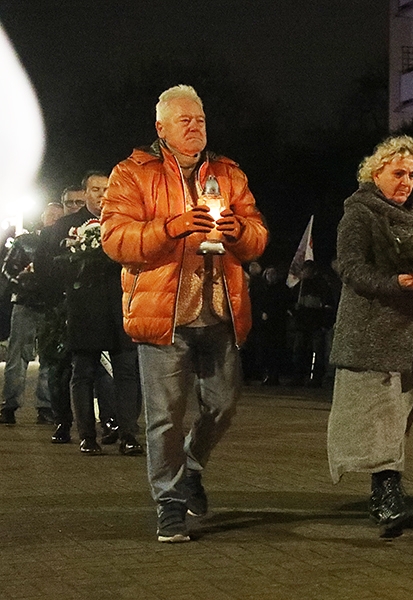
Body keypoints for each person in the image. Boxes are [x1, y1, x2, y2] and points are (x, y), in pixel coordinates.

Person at [101, 85, 268, 542]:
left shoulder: (228, 173)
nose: (195, 127)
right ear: (161, 128)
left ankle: (191, 466)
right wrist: (171, 227)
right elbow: (115, 239)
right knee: (164, 415)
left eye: (200, 120)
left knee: (224, 404)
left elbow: (257, 236)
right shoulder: (131, 174)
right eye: (184, 121)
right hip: (163, 316)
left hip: (220, 311)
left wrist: (238, 231)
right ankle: (169, 501)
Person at [327, 135, 413, 537]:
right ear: (375, 173)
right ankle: (386, 500)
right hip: (372, 332)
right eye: (398, 173)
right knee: (378, 418)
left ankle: (388, 495)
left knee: (395, 419)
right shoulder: (360, 214)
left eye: (411, 174)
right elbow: (350, 267)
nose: (406, 182)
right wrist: (396, 282)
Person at [35, 174, 125, 450]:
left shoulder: (120, 222)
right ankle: (64, 421)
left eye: (106, 189)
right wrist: (62, 293)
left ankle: (112, 422)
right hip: (67, 307)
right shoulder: (61, 228)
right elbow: (44, 266)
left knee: (106, 371)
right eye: (94, 190)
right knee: (66, 369)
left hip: (108, 307)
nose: (99, 195)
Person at [0, 206, 61, 425]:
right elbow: (7, 269)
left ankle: (44, 406)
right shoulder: (25, 241)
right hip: (25, 304)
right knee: (17, 357)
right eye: (51, 215)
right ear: (42, 218)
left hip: (51, 307)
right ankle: (9, 405)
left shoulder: (64, 241)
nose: (55, 219)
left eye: (58, 215)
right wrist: (24, 282)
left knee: (49, 359)